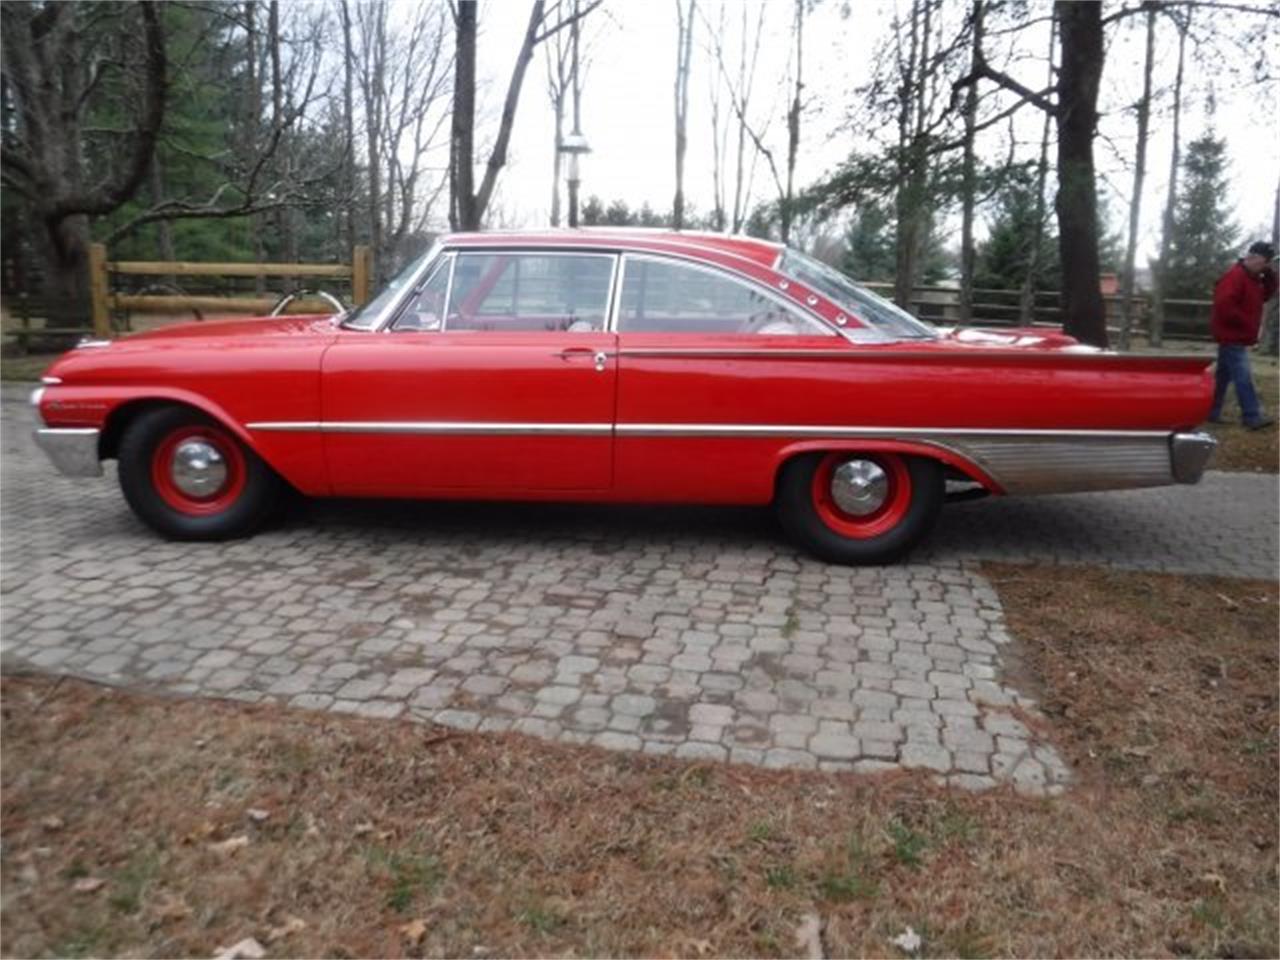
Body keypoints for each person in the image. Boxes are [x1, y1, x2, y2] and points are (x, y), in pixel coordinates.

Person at [1208, 240, 1277, 430]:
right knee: (1243, 377)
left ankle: (1212, 411)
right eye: (1263, 263)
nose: (1264, 267)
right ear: (1252, 258)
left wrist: (1270, 275)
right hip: (1232, 336)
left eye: (1267, 264)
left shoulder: (1254, 279)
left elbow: (1266, 295)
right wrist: (1247, 323)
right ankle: (1252, 416)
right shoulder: (1234, 277)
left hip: (1238, 336)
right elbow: (1224, 306)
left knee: (1223, 377)